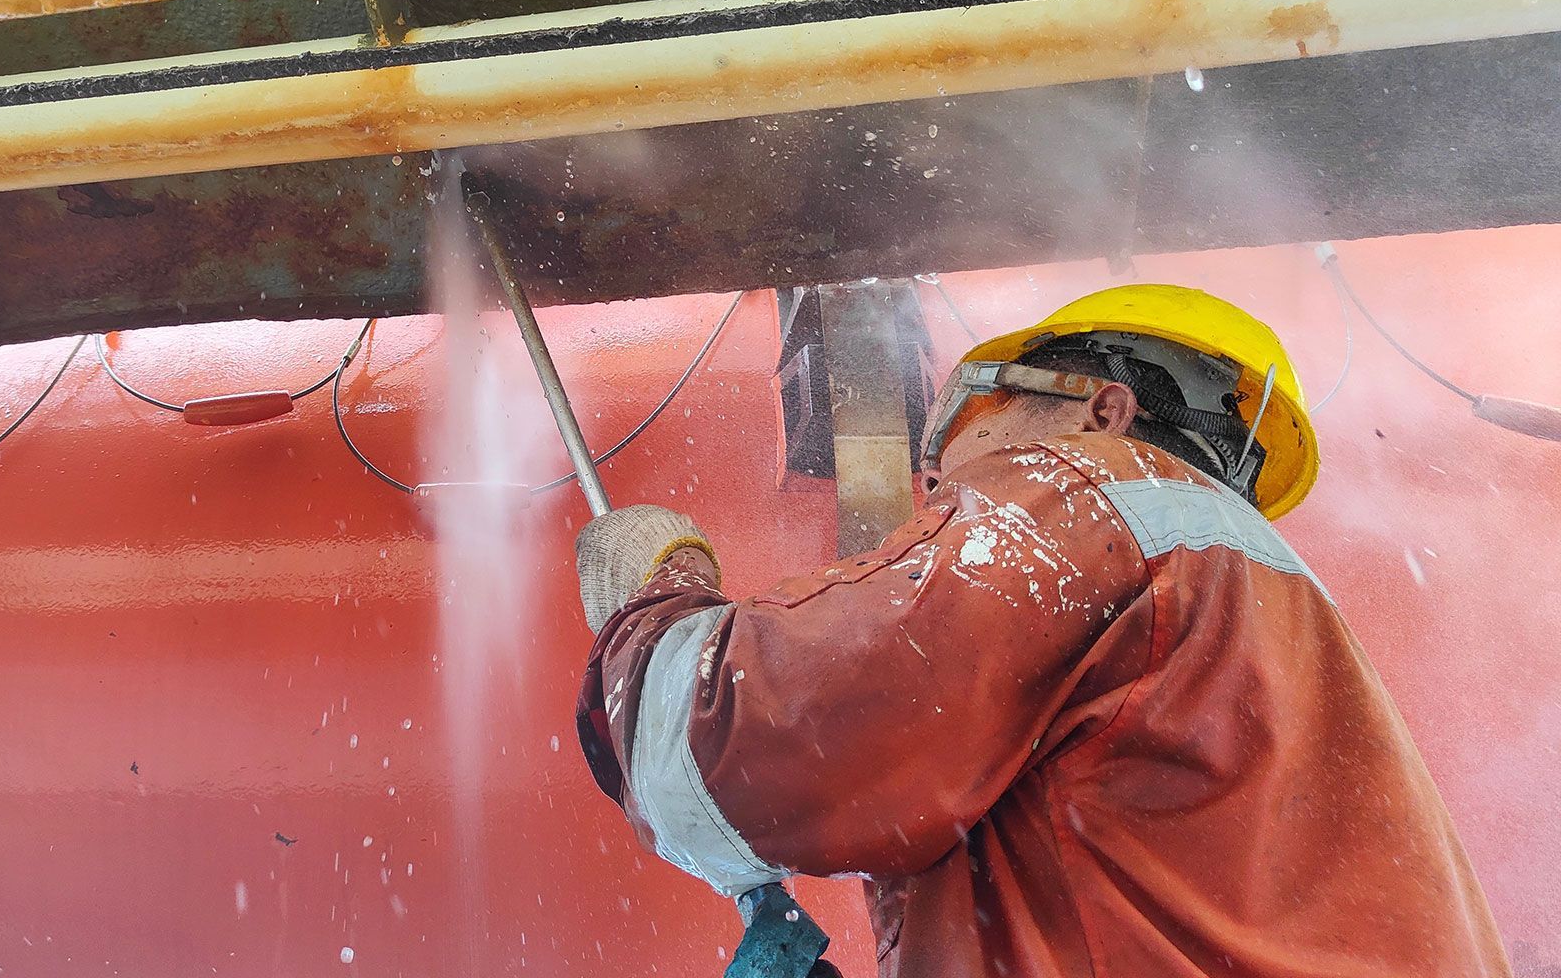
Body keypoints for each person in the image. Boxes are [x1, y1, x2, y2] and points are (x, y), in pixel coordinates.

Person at [573, 284, 1508, 977]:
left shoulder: (1091, 490)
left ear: (1101, 409)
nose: (935, 482)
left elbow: (722, 755)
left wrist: (654, 600)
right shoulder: (1265, 607)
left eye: (968, 426)